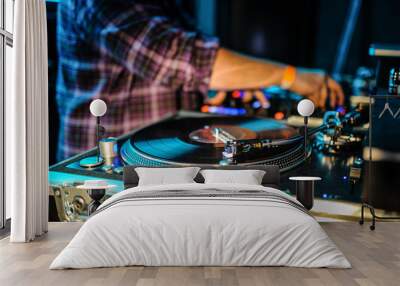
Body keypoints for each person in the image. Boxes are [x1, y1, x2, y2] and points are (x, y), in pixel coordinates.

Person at [56, 0, 344, 161]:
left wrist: (223, 83)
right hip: (107, 165)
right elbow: (176, 56)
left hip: (158, 159)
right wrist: (290, 76)